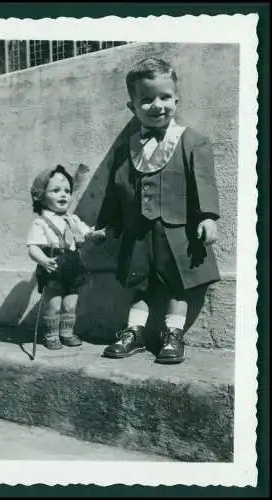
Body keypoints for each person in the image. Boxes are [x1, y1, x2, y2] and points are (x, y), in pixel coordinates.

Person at [95, 57, 221, 364]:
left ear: (176, 99)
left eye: (165, 97)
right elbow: (117, 187)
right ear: (132, 108)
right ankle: (133, 332)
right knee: (138, 284)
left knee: (177, 284)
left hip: (178, 230)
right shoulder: (128, 147)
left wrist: (207, 217)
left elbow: (203, 181)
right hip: (138, 232)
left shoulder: (192, 141)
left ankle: (172, 334)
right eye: (146, 99)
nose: (157, 105)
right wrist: (111, 224)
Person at [27, 164, 98, 350]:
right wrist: (43, 260)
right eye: (56, 190)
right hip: (53, 264)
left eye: (67, 190)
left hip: (73, 264)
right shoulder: (41, 222)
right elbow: (32, 247)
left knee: (70, 305)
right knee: (55, 305)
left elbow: (86, 233)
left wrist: (96, 234)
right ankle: (51, 335)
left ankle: (67, 333)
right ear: (41, 195)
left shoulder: (72, 219)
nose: (63, 195)